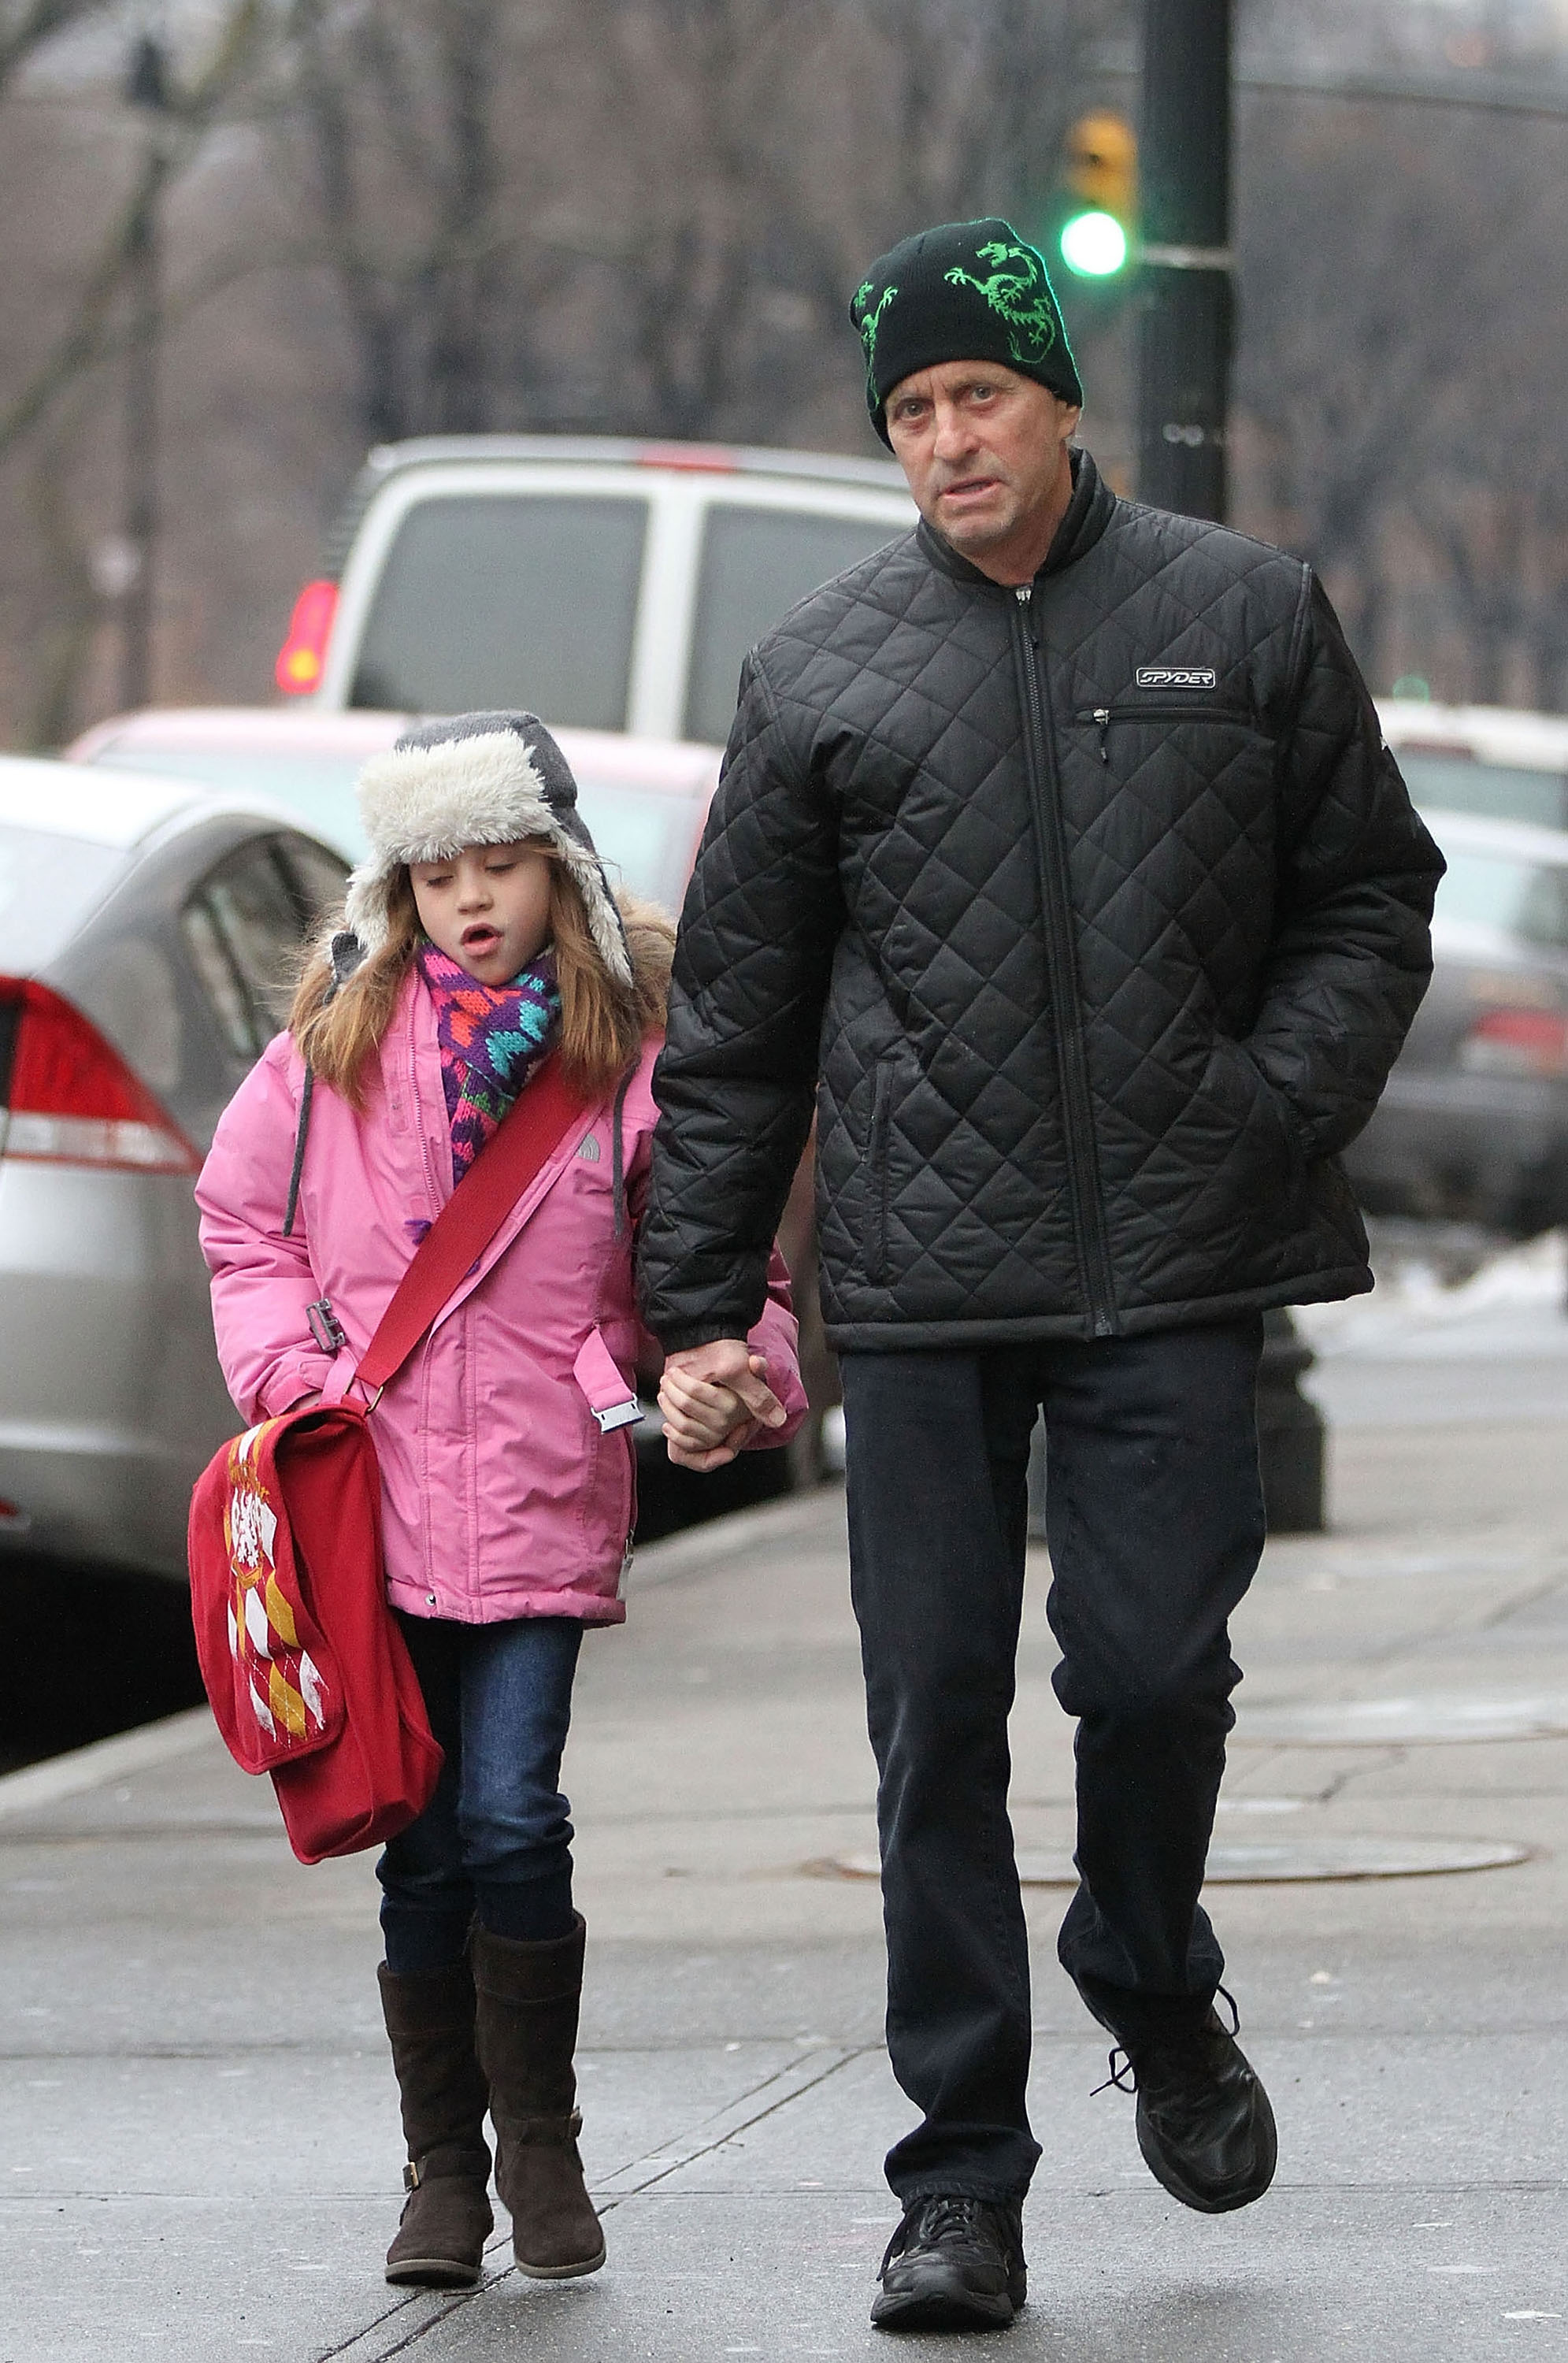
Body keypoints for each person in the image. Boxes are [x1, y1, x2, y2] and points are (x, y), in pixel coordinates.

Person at [636, 221, 1444, 2331]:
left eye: (977, 395)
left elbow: (1371, 893)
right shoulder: (818, 675)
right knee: (933, 1731)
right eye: (909, 411)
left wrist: (1274, 1103)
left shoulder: (1241, 616)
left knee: (1158, 1674)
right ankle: (961, 2179)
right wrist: (703, 1308)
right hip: (918, 1289)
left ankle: (1154, 1977)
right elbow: (731, 1020)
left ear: (1059, 398)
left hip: (1179, 1259)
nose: (945, 440)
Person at [197, 711, 805, 2294]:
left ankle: (540, 2140)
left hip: (541, 1493)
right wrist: (287, 1381)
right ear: (397, 888)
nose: (473, 899)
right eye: (440, 872)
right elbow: (240, 1226)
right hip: (369, 1505)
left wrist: (735, 1373)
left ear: (561, 876)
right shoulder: (333, 1048)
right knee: (424, 1847)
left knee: (513, 1812)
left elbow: (725, 1267)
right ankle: (442, 2173)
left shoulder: (625, 1064)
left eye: (504, 867)